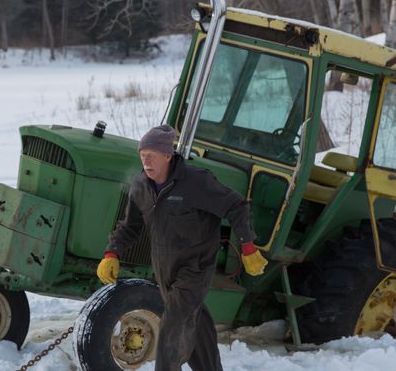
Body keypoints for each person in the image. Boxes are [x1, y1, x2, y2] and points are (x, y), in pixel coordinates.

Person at [96, 124, 268, 371]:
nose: (146, 160)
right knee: (196, 324)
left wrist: (248, 246)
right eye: (142, 154)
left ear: (168, 155)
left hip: (195, 269)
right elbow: (130, 226)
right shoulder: (141, 186)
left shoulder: (196, 181)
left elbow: (236, 206)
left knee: (171, 330)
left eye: (151, 155)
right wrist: (112, 253)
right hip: (165, 270)